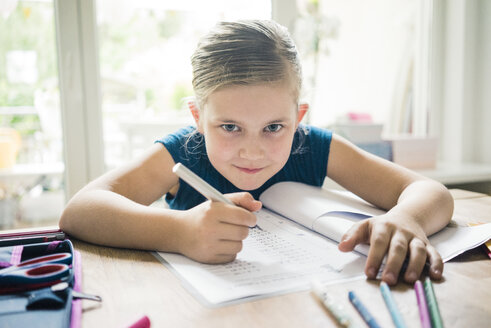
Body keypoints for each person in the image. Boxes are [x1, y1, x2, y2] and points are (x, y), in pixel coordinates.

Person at [59, 20, 454, 286]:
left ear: (297, 118)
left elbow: (431, 192)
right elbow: (81, 210)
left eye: (273, 127)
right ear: (199, 118)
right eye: (229, 127)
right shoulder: (183, 151)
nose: (252, 150)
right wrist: (179, 232)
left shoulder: (312, 145)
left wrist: (406, 217)